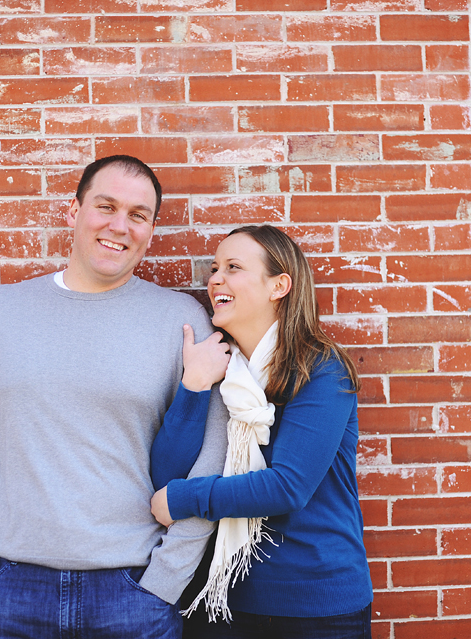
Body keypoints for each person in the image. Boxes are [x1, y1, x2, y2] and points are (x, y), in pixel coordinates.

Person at [0, 155, 231, 638]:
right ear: (73, 212)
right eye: (105, 206)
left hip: (134, 592)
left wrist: (165, 579)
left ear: (151, 229)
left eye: (138, 214)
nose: (120, 225)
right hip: (9, 589)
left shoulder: (180, 319)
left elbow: (211, 456)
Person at [150, 225, 374, 638]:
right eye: (215, 268)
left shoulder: (322, 371)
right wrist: (194, 385)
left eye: (233, 267)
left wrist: (185, 498)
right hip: (219, 599)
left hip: (314, 605)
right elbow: (166, 473)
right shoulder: (220, 370)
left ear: (279, 286)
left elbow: (288, 487)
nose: (215, 278)